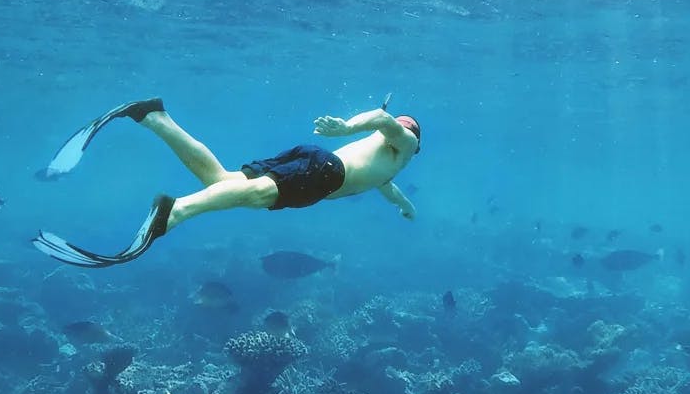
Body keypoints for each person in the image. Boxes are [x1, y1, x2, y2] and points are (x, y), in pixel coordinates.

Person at [32, 97, 420, 268]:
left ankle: (153, 117)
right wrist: (348, 126)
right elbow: (384, 121)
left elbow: (387, 188)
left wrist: (405, 206)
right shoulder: (405, 142)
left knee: (220, 180)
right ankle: (176, 212)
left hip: (316, 160)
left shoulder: (389, 169)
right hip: (326, 172)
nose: (400, 129)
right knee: (254, 196)